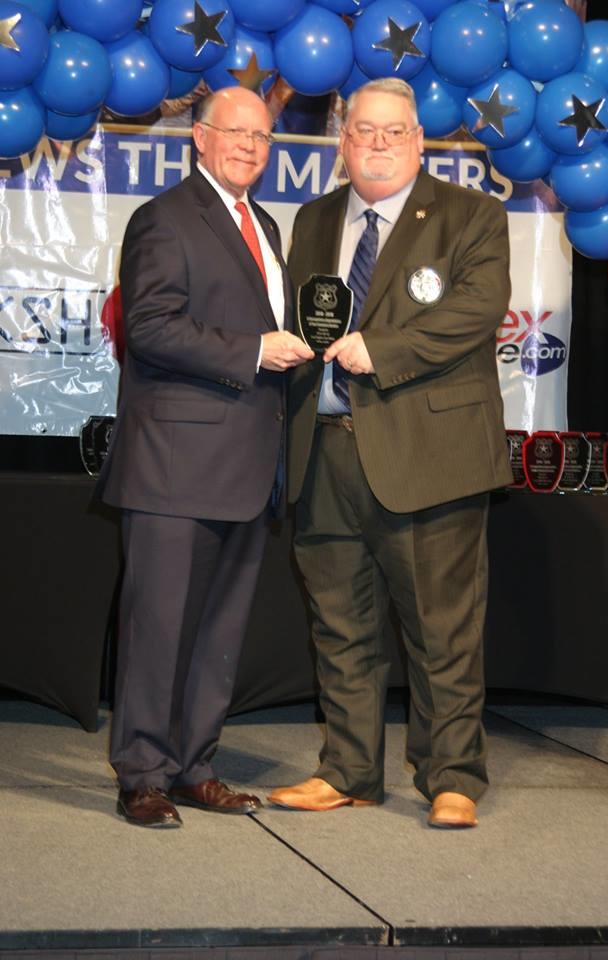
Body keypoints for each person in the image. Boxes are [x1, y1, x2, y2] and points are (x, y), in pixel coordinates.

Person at [268, 78, 512, 828]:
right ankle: (347, 769)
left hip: (429, 456)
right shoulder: (311, 219)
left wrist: (386, 348)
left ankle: (452, 777)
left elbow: (476, 311)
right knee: (340, 626)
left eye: (392, 132)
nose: (376, 143)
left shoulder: (472, 215)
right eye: (362, 131)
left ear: (419, 140)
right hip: (326, 454)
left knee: (443, 628)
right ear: (343, 141)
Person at [97, 87, 314, 828]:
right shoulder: (162, 218)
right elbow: (152, 327)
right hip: (175, 467)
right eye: (236, 133)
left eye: (262, 136)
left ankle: (194, 765)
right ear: (200, 137)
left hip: (250, 467)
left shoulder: (267, 228)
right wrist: (254, 350)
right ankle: (142, 773)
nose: (250, 147)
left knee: (219, 632)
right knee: (159, 626)